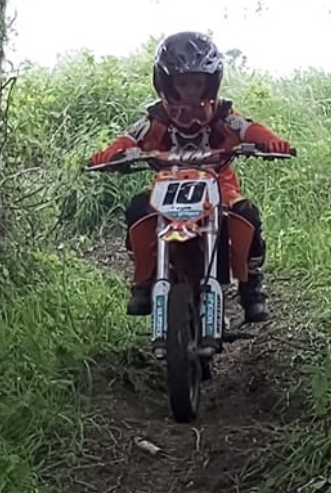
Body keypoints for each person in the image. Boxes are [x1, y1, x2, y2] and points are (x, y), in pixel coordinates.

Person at [89, 32, 293, 322]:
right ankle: (144, 281)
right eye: (183, 83)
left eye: (197, 83)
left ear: (210, 82)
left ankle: (252, 287)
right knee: (138, 209)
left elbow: (248, 128)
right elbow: (129, 138)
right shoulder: (157, 118)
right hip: (168, 187)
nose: (191, 91)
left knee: (246, 213)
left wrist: (272, 142)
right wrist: (109, 154)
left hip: (219, 187)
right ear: (167, 82)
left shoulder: (222, 114)